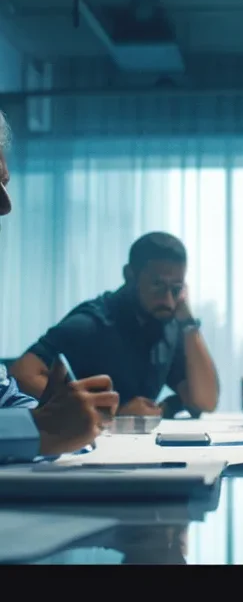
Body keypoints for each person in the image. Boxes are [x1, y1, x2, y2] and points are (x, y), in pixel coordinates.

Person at [0, 109, 119, 462]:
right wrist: (40, 428)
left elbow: (6, 398)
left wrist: (52, 415)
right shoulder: (94, 319)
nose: (6, 209)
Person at [11, 232, 219, 418]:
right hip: (79, 445)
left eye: (175, 289)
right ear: (130, 275)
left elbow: (205, 401)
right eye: (157, 285)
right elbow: (21, 374)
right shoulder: (94, 322)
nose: (168, 300)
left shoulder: (167, 326)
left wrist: (189, 325)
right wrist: (109, 412)